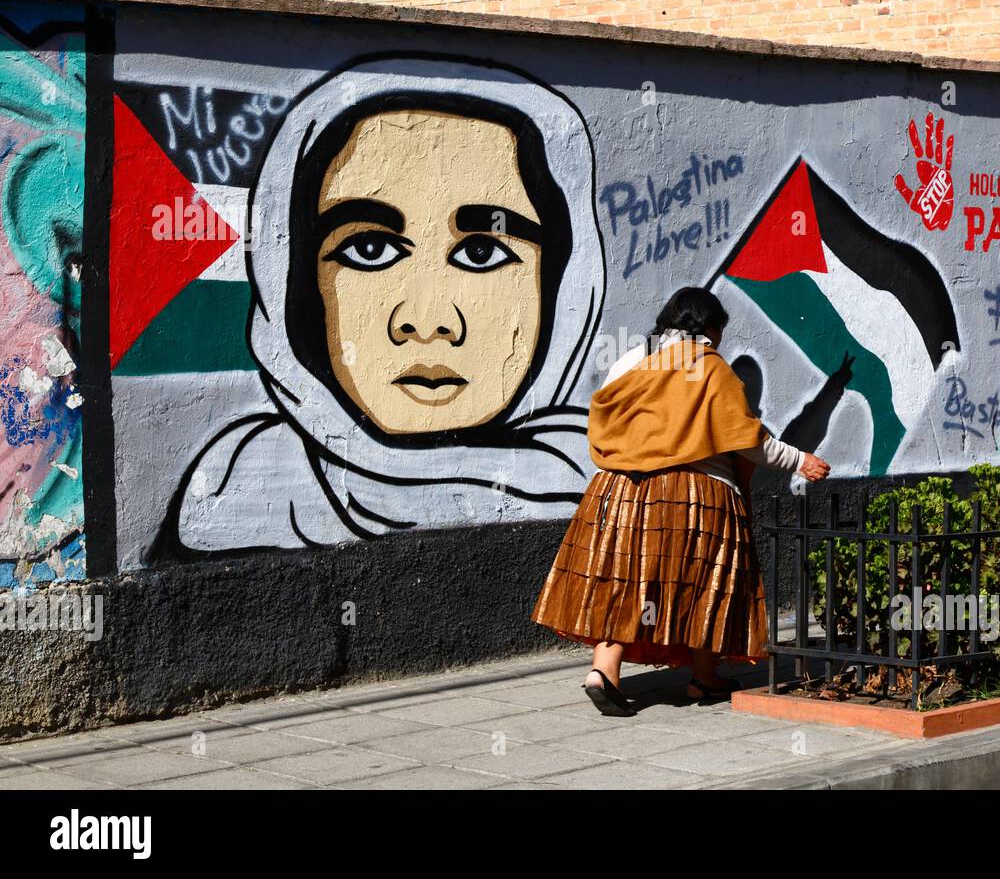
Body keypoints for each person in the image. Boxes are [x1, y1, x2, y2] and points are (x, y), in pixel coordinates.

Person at [153, 55, 605, 558]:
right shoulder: (231, 496)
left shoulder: (596, 480)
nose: (429, 322)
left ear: (562, 283)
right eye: (369, 250)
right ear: (298, 283)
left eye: (481, 253)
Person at [530, 288, 831, 716]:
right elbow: (750, 442)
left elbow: (602, 418)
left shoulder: (631, 361)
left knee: (624, 580)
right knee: (705, 585)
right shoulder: (711, 368)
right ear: (710, 329)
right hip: (695, 494)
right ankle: (703, 679)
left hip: (620, 489)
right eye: (720, 332)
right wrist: (801, 460)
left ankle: (603, 670)